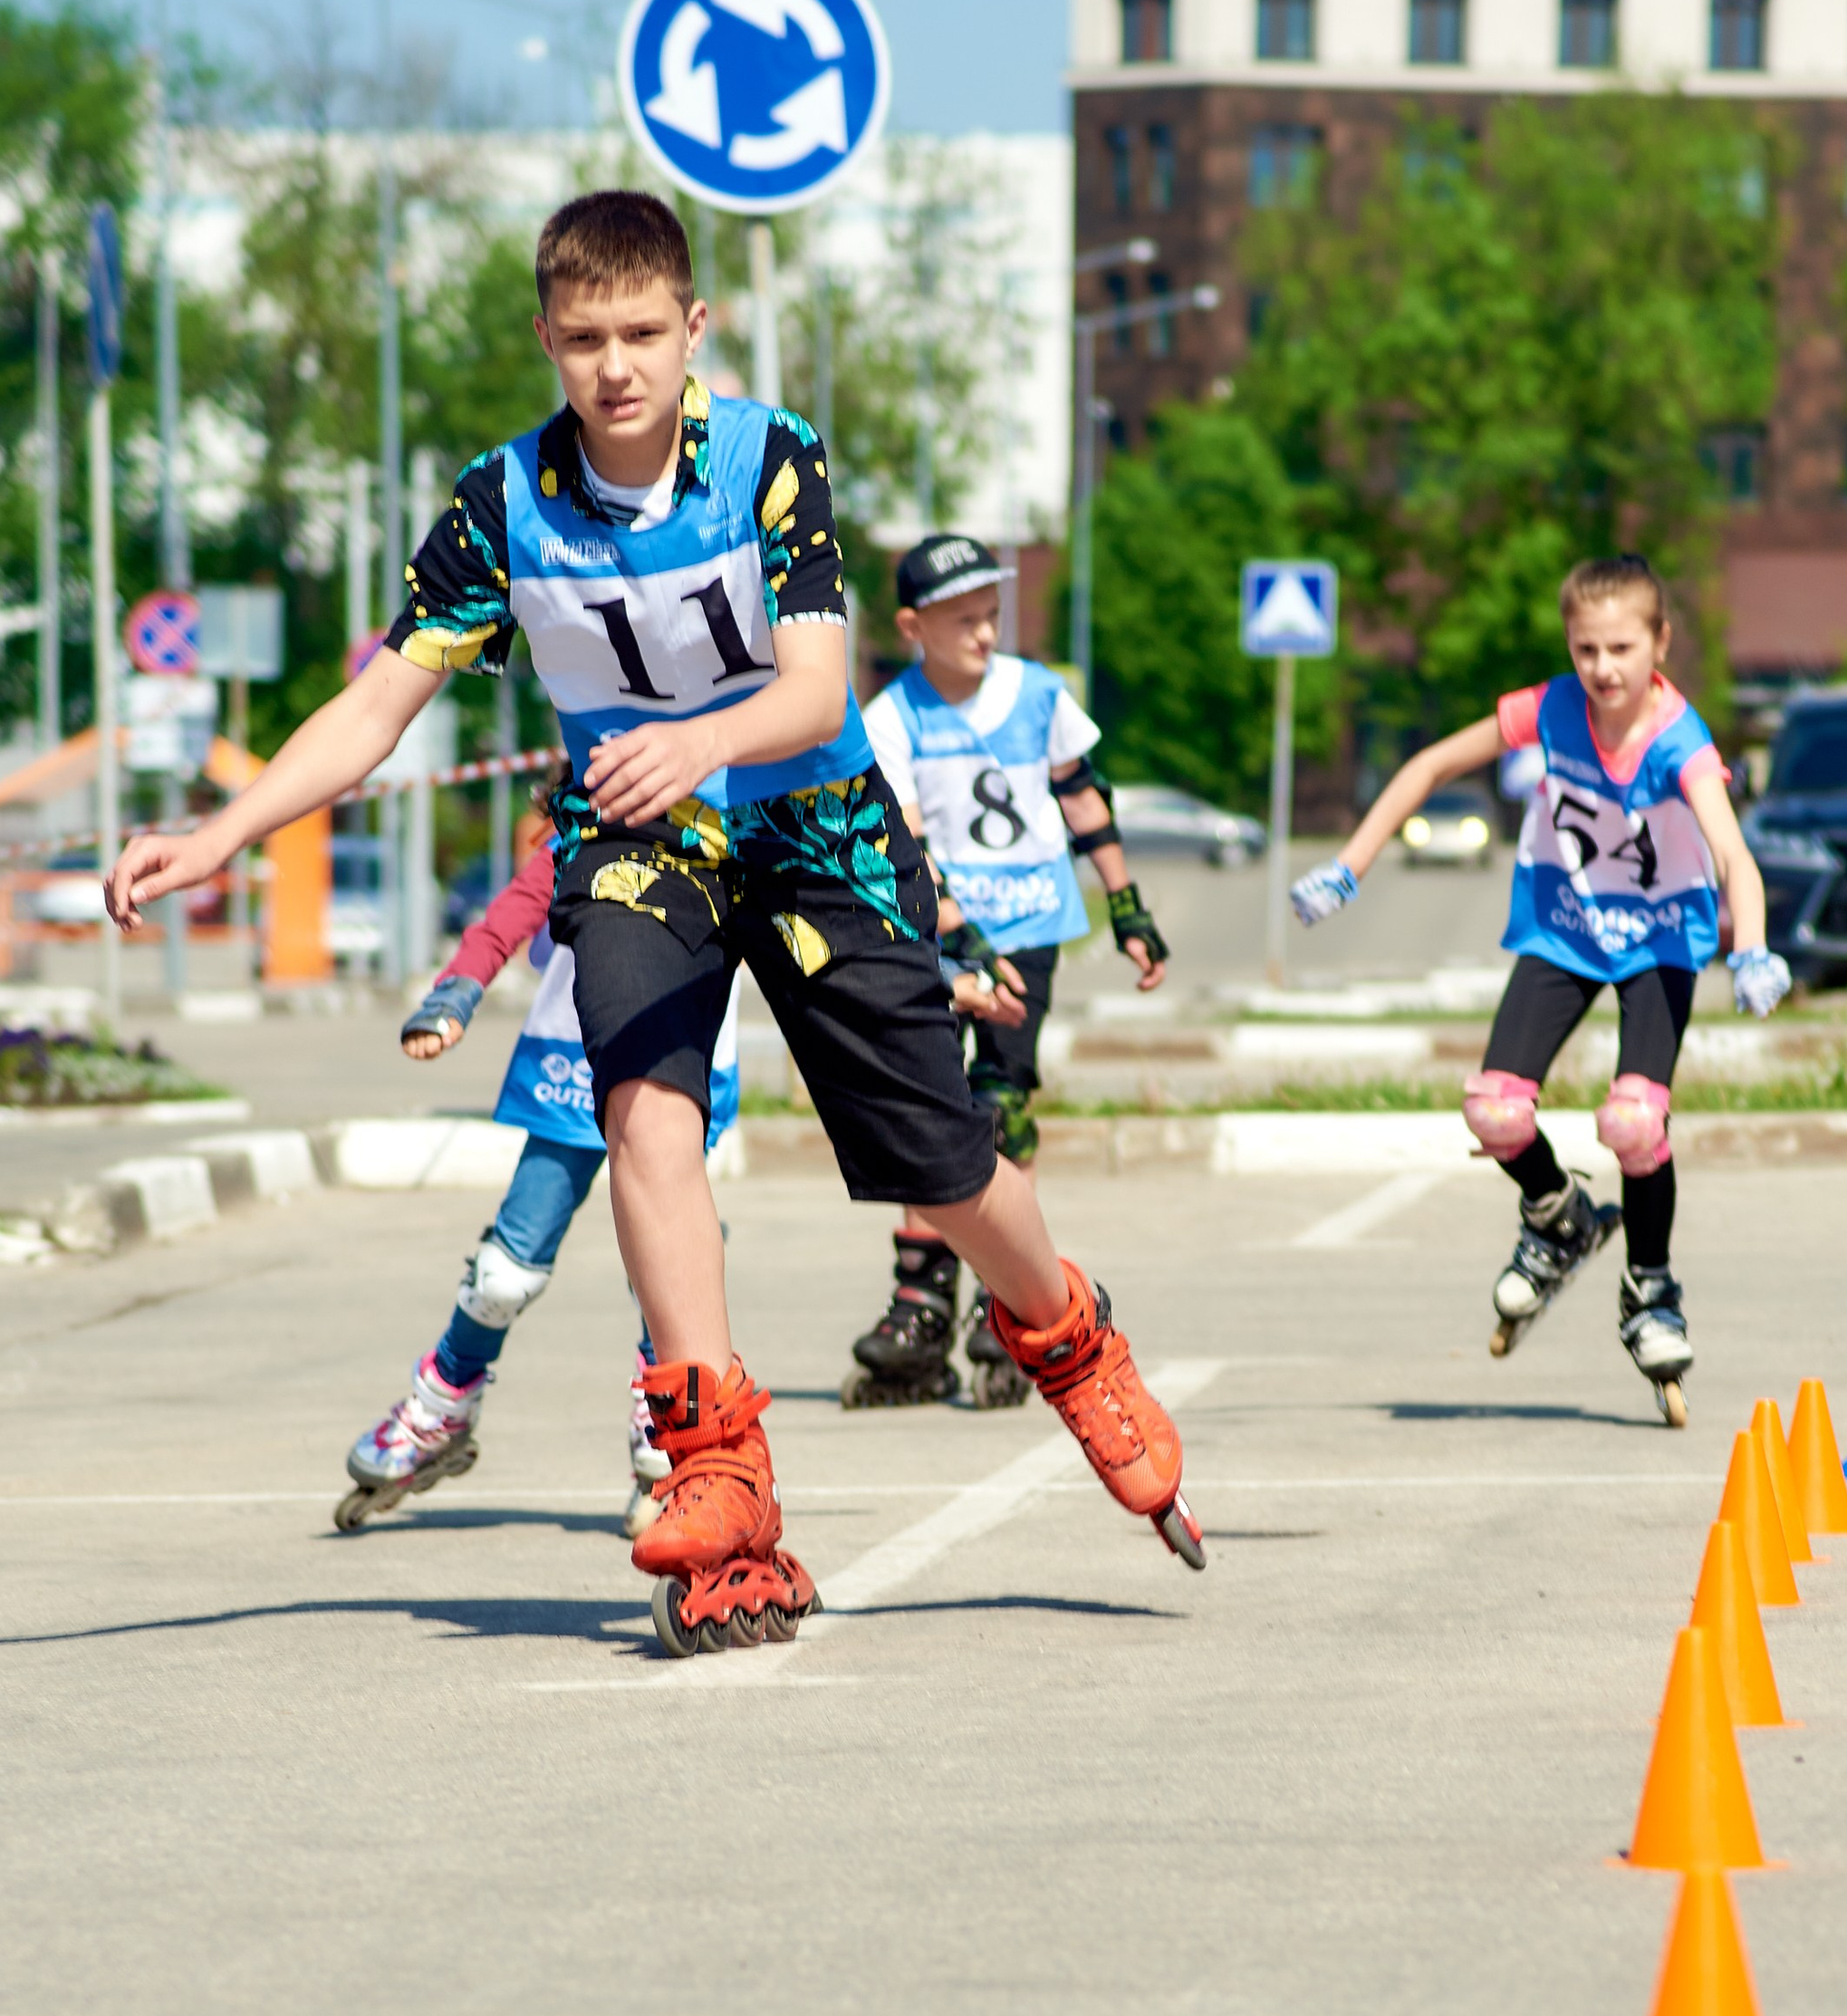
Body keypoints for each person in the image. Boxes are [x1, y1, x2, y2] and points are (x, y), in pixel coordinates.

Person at [105, 188, 1205, 1646]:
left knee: (938, 1158)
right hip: (641, 839)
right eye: (582, 339)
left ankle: (1069, 1335)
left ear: (696, 328)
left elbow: (820, 688)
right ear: (547, 342)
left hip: (816, 828)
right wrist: (215, 832)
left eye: (641, 332)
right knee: (643, 1115)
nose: (614, 364)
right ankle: (715, 1461)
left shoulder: (768, 456)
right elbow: (378, 700)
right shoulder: (503, 502)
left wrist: (699, 738)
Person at [1288, 552, 1789, 1426]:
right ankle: (1561, 1218)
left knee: (1634, 1121)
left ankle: (1652, 1287)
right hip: (1565, 928)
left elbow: (1731, 853)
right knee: (1494, 1111)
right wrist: (1346, 867)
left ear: (1660, 643)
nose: (1603, 668)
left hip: (1659, 942)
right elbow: (1429, 767)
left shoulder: (1682, 743)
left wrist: (1751, 950)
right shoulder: (1550, 708)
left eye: (1622, 648)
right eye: (1585, 647)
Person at [332, 831, 740, 1541]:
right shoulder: (583, 828)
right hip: (572, 1069)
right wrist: (455, 992)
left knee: (670, 1261)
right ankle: (444, 1403)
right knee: (503, 1272)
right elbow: (508, 918)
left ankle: (673, 1441)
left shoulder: (733, 826)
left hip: (680, 1069)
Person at [844, 531, 1170, 1409]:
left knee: (1000, 1108)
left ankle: (1006, 1301)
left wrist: (1127, 905)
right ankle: (920, 1304)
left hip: (1028, 925)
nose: (986, 634)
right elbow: (903, 838)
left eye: (992, 615)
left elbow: (1080, 794)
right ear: (914, 625)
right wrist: (962, 942)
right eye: (964, 620)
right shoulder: (892, 715)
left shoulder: (1038, 695)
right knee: (924, 1111)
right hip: (938, 937)